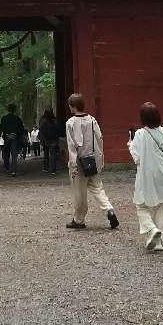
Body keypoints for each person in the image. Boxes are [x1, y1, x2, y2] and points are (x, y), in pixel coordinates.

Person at [128, 102, 163, 253]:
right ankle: (159, 241)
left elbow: (136, 158)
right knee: (162, 206)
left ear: (142, 118)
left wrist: (130, 144)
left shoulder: (139, 134)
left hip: (146, 174)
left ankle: (151, 229)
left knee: (142, 205)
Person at [65, 93, 119, 231]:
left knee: (80, 193)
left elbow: (72, 146)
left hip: (78, 162)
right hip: (92, 160)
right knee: (98, 188)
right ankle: (109, 210)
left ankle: (79, 220)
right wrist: (100, 159)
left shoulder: (70, 123)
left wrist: (73, 165)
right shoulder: (92, 120)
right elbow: (99, 139)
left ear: (72, 107)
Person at [0, 104, 27, 176]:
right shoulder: (17, 118)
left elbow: (1, 128)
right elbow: (21, 129)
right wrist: (21, 137)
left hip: (7, 137)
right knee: (14, 155)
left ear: (8, 110)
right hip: (14, 138)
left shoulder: (4, 118)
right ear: (15, 110)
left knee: (6, 154)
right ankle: (14, 170)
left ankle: (7, 168)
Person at [39, 108, 60, 174]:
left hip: (45, 139)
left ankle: (46, 167)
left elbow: (41, 130)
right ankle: (53, 170)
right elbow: (58, 130)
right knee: (53, 155)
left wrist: (42, 139)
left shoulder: (43, 120)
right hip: (53, 140)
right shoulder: (55, 120)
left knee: (46, 154)